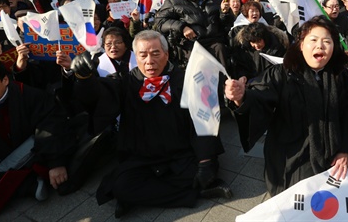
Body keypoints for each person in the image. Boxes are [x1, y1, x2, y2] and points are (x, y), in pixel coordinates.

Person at [69, 30, 231, 217]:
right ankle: (191, 192)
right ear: (135, 56)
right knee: (122, 186)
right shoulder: (126, 82)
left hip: (182, 153)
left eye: (155, 53)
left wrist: (205, 161)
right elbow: (98, 97)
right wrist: (84, 80)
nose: (149, 61)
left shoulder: (185, 79)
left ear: (166, 54)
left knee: (205, 171)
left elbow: (204, 119)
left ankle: (145, 196)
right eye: (143, 55)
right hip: (141, 157)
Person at [224, 16, 348, 196]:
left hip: (332, 156)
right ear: (301, 44)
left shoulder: (343, 77)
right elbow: (260, 97)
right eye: (313, 40)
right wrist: (241, 98)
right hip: (290, 156)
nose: (320, 46)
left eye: (327, 41)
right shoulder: (280, 74)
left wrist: (345, 149)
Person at [0, 59, 74, 218]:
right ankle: (29, 185)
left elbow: (51, 126)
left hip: (31, 153)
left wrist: (56, 163)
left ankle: (20, 181)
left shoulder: (29, 95)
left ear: (5, 79)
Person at [154, 0, 233, 69]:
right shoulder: (173, 2)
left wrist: (224, 13)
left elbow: (226, 25)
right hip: (189, 44)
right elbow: (160, 22)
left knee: (220, 53)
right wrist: (182, 27)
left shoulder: (217, 1)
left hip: (214, 43)